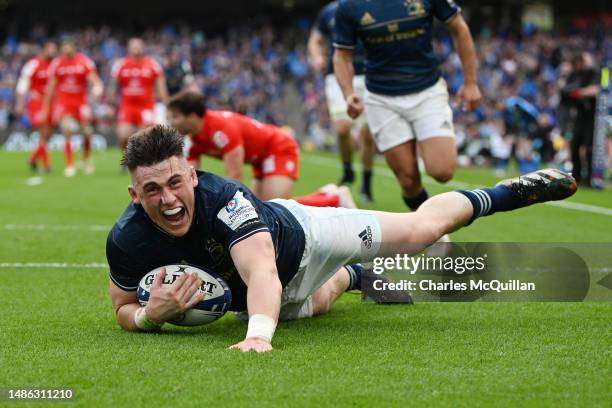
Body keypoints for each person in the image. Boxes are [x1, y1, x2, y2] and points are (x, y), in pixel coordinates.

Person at [107, 125, 577, 352]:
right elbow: (124, 308)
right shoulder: (127, 240)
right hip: (262, 297)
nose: (167, 198)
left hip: (308, 238)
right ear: (134, 194)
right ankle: (355, 278)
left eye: (175, 183)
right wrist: (151, 316)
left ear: (191, 174)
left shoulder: (223, 198)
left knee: (420, 231)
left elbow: (262, 273)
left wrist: (257, 337)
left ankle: (511, 191)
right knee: (323, 302)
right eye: (152, 189)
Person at [333, 0, 482, 214]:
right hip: (382, 98)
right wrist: (348, 93)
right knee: (408, 180)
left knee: (442, 171)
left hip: (426, 91)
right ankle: (435, 232)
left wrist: (470, 83)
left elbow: (459, 28)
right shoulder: (349, 6)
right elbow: (342, 55)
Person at [167, 90, 354, 207]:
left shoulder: (221, 129)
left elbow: (234, 176)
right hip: (261, 157)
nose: (170, 122)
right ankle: (328, 195)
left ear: (191, 116)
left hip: (278, 147)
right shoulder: (194, 137)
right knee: (259, 207)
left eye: (175, 117)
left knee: (278, 206)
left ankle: (335, 197)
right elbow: (190, 175)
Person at [308, 1, 376, 202]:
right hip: (337, 73)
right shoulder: (329, 11)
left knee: (368, 135)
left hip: (368, 74)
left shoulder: (372, 7)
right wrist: (317, 57)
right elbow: (315, 39)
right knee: (342, 128)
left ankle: (366, 181)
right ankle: (348, 170)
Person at [43, 36, 103, 177]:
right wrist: (46, 106)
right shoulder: (57, 64)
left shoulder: (84, 62)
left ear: (74, 47)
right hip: (64, 103)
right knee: (67, 130)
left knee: (87, 132)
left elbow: (93, 79)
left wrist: (96, 87)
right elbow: (51, 86)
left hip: (81, 102)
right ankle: (69, 165)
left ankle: (86, 159)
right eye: (64, 46)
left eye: (68, 46)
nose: (66, 48)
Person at [109, 38, 169, 159]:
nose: (136, 48)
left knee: (144, 137)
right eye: (133, 45)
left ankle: (141, 163)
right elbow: (113, 86)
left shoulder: (152, 65)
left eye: (138, 45)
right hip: (127, 107)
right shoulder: (120, 64)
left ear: (143, 47)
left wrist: (167, 103)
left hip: (146, 107)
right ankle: (127, 157)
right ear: (128, 48)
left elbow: (161, 87)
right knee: (123, 136)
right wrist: (110, 102)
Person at [14, 40, 57, 173]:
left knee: (48, 135)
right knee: (43, 131)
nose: (53, 52)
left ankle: (33, 158)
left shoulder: (55, 65)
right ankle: (46, 166)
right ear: (44, 49)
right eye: (51, 49)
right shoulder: (33, 64)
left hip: (51, 103)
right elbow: (22, 84)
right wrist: (20, 104)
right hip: (37, 103)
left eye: (54, 49)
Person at [560, 53, 599, 186]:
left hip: (592, 116)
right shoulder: (573, 75)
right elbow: (563, 88)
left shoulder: (593, 73)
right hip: (579, 116)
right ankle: (576, 177)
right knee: (575, 146)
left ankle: (589, 179)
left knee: (588, 148)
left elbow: (596, 90)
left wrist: (577, 92)